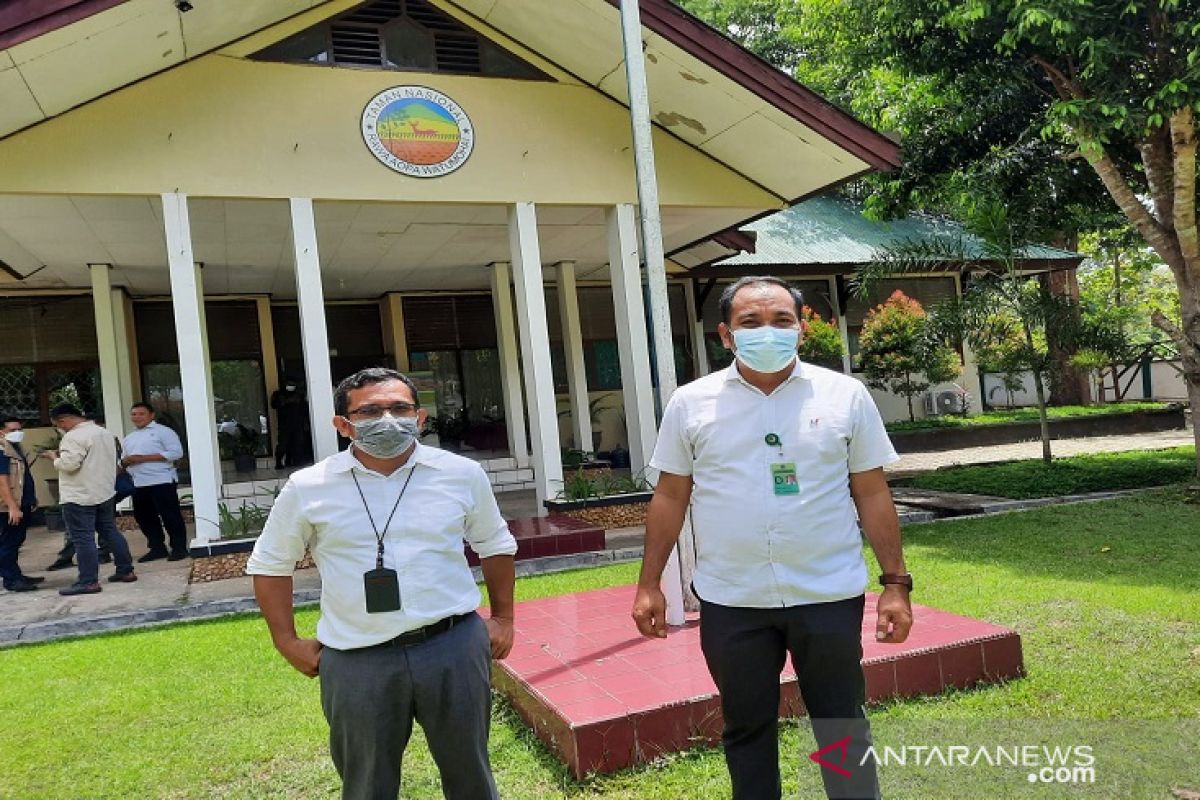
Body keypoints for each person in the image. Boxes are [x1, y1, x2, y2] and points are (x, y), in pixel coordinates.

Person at [631, 276, 914, 800]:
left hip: (827, 593)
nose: (769, 331)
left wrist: (895, 584)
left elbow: (872, 493)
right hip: (732, 599)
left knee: (841, 726)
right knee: (746, 728)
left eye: (782, 321)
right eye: (751, 322)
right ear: (726, 335)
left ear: (802, 329)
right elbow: (670, 496)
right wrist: (650, 583)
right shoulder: (692, 404)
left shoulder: (844, 396)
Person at [247, 367, 517, 800]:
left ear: (421, 417)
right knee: (366, 783)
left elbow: (495, 543)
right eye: (370, 411)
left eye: (399, 408)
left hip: (452, 647)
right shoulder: (308, 487)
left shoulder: (461, 474)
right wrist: (286, 640)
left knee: (471, 774)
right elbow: (270, 564)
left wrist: (503, 617)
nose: (388, 420)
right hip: (357, 659)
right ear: (343, 425)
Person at [43, 404, 137, 595]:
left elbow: (69, 465)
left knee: (83, 538)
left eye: (59, 425)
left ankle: (88, 581)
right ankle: (126, 570)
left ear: (64, 420)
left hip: (79, 495)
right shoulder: (104, 432)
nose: (61, 429)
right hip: (104, 492)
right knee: (110, 531)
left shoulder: (73, 437)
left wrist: (54, 458)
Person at [122, 402, 188, 562]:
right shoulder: (129, 438)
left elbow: (176, 452)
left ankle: (179, 547)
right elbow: (124, 459)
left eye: (141, 414)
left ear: (151, 415)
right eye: (134, 414)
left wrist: (143, 458)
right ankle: (157, 547)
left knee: (170, 515)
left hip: (162, 480)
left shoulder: (164, 432)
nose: (137, 417)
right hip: (139, 482)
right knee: (144, 517)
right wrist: (125, 463)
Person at [0, 418, 44, 592]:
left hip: (22, 501)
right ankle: (11, 579)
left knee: (16, 540)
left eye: (19, 429)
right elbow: (2, 481)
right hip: (9, 505)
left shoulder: (15, 447)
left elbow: (22, 477)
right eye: (12, 430)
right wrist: (12, 506)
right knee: (9, 542)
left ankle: (15, 574)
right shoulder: (2, 450)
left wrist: (31, 498)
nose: (17, 432)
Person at [271, 380, 310, 469]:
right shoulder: (278, 394)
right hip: (284, 423)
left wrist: (305, 422)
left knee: (298, 443)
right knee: (283, 443)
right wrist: (288, 401)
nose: (291, 386)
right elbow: (274, 405)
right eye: (289, 384)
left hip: (298, 422)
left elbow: (304, 408)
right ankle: (279, 462)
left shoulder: (299, 394)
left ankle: (295, 461)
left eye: (293, 384)